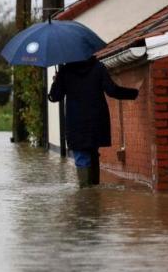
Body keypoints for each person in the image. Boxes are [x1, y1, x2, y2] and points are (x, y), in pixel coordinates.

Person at [48, 56, 139, 188]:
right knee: (93, 154)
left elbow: (55, 97)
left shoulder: (65, 71)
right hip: (97, 120)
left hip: (76, 122)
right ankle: (94, 196)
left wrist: (56, 82)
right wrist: (135, 92)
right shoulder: (98, 67)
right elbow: (112, 91)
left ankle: (86, 195)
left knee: (81, 157)